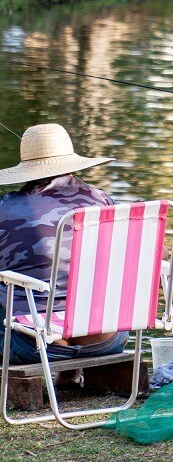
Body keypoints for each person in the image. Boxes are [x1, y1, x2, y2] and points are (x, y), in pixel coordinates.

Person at [0, 123, 128, 365]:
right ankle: (69, 370)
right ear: (72, 166)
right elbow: (153, 254)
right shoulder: (103, 201)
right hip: (109, 339)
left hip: (34, 346)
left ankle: (53, 340)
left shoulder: (5, 209)